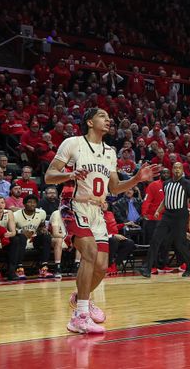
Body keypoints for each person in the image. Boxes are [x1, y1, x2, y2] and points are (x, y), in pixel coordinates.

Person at [45, 108, 159, 334]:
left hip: (97, 210)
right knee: (88, 253)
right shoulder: (73, 143)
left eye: (109, 117)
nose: (108, 120)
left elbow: (115, 187)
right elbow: (49, 176)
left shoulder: (109, 151)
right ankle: (80, 316)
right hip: (74, 204)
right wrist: (69, 175)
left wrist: (136, 178)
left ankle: (81, 298)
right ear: (89, 121)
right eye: (102, 116)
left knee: (101, 266)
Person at [138, 162, 190, 278]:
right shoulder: (166, 183)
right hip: (167, 215)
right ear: (172, 170)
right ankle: (147, 268)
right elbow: (166, 199)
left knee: (179, 244)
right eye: (175, 168)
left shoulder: (187, 184)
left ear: (182, 170)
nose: (177, 170)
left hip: (181, 215)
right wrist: (158, 211)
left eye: (179, 168)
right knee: (155, 240)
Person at [13, 194, 53, 278]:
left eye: (34, 202)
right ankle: (19, 269)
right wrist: (21, 231)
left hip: (33, 240)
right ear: (24, 204)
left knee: (46, 236)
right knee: (21, 237)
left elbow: (41, 226)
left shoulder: (41, 213)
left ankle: (43, 268)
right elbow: (11, 229)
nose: (32, 204)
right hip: (20, 240)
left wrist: (43, 229)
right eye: (29, 202)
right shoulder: (16, 215)